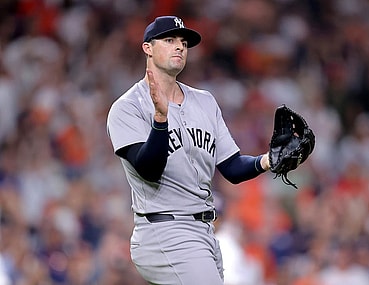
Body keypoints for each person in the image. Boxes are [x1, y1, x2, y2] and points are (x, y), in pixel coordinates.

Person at [106, 15, 271, 285]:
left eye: (183, 42)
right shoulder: (127, 107)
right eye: (169, 40)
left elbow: (231, 167)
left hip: (205, 231)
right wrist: (161, 120)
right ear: (147, 48)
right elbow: (148, 170)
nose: (179, 47)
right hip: (163, 230)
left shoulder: (204, 102)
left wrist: (268, 160)